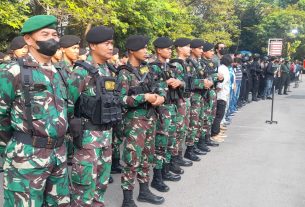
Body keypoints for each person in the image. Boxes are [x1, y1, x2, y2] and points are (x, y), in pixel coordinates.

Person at [0, 15, 70, 206]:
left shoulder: (60, 72)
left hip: (58, 155)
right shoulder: (13, 71)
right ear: (29, 39)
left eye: (55, 34)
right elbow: (1, 116)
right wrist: (14, 146)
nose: (52, 39)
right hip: (26, 158)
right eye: (45, 34)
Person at [67, 26, 121, 206]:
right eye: (106, 43)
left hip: (106, 137)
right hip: (87, 139)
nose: (110, 47)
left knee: (101, 186)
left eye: (111, 43)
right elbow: (67, 103)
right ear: (92, 45)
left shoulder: (109, 70)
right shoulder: (81, 71)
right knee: (83, 189)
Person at [118, 35, 166, 206]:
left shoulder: (146, 69)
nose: (146, 51)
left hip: (150, 118)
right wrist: (143, 97)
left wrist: (161, 96)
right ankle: (128, 199)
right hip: (134, 122)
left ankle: (144, 191)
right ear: (131, 51)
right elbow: (120, 100)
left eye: (147, 47)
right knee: (132, 160)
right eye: (142, 48)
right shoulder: (124, 73)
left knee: (147, 157)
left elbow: (159, 86)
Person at [149, 37, 183, 193]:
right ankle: (157, 178)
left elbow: (183, 82)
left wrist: (178, 82)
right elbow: (150, 87)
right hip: (161, 110)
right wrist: (165, 83)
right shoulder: (152, 68)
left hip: (172, 107)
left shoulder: (170, 66)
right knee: (160, 144)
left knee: (170, 141)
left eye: (171, 48)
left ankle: (165, 170)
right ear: (158, 50)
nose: (170, 51)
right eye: (167, 48)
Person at [170, 38, 198, 163]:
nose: (189, 49)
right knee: (177, 130)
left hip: (185, 99)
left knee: (183, 129)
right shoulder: (176, 64)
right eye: (187, 46)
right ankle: (174, 159)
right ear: (179, 48)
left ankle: (179, 156)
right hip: (178, 101)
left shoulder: (185, 63)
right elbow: (175, 83)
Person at [187, 39, 213, 157]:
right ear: (192, 49)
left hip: (201, 96)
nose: (202, 51)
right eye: (200, 48)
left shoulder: (198, 62)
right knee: (193, 124)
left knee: (199, 122)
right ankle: (189, 149)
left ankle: (195, 145)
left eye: (203, 48)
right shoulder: (188, 63)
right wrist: (203, 82)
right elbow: (188, 81)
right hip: (194, 97)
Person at [200, 42, 223, 147]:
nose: (212, 53)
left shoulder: (212, 62)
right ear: (204, 52)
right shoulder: (200, 63)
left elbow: (213, 76)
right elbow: (206, 78)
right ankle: (201, 140)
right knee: (204, 117)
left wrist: (220, 78)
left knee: (210, 117)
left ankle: (207, 137)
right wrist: (215, 76)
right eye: (210, 51)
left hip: (212, 91)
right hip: (205, 93)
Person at [211, 54, 232, 142]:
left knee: (220, 114)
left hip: (223, 94)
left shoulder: (223, 68)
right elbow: (221, 83)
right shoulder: (223, 69)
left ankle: (217, 131)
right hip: (220, 95)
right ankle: (215, 133)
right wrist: (217, 91)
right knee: (219, 115)